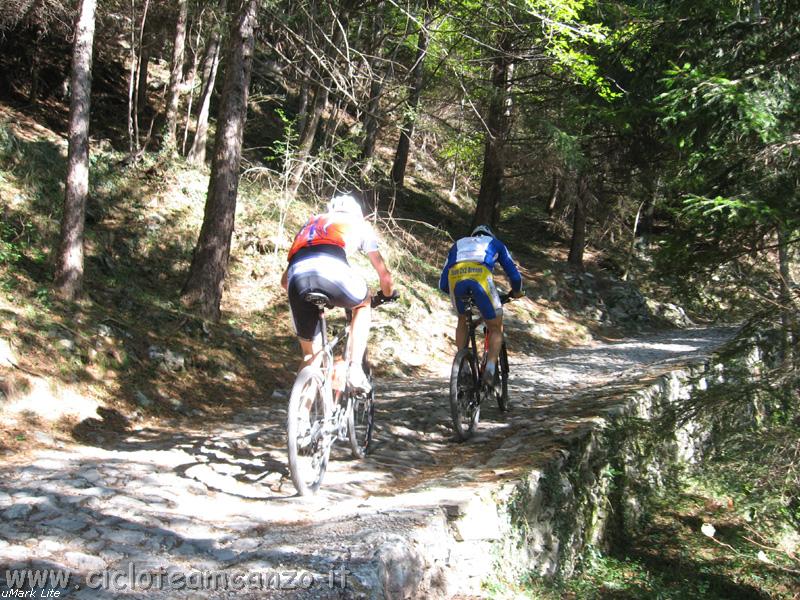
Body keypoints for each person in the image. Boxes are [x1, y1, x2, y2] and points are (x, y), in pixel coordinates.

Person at [281, 193, 394, 392]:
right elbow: (384, 277)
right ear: (358, 213)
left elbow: (284, 281)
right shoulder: (359, 224)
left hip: (296, 278)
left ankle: (300, 420)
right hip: (333, 271)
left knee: (310, 357)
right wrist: (386, 294)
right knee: (364, 303)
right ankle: (355, 368)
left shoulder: (312, 223)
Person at [439, 224, 523, 386]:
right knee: (495, 327)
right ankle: (490, 369)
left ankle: (462, 366)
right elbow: (515, 275)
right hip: (481, 279)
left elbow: (443, 284)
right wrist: (517, 292)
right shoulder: (496, 244)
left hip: (456, 280)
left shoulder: (458, 244)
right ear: (490, 235)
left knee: (462, 320)